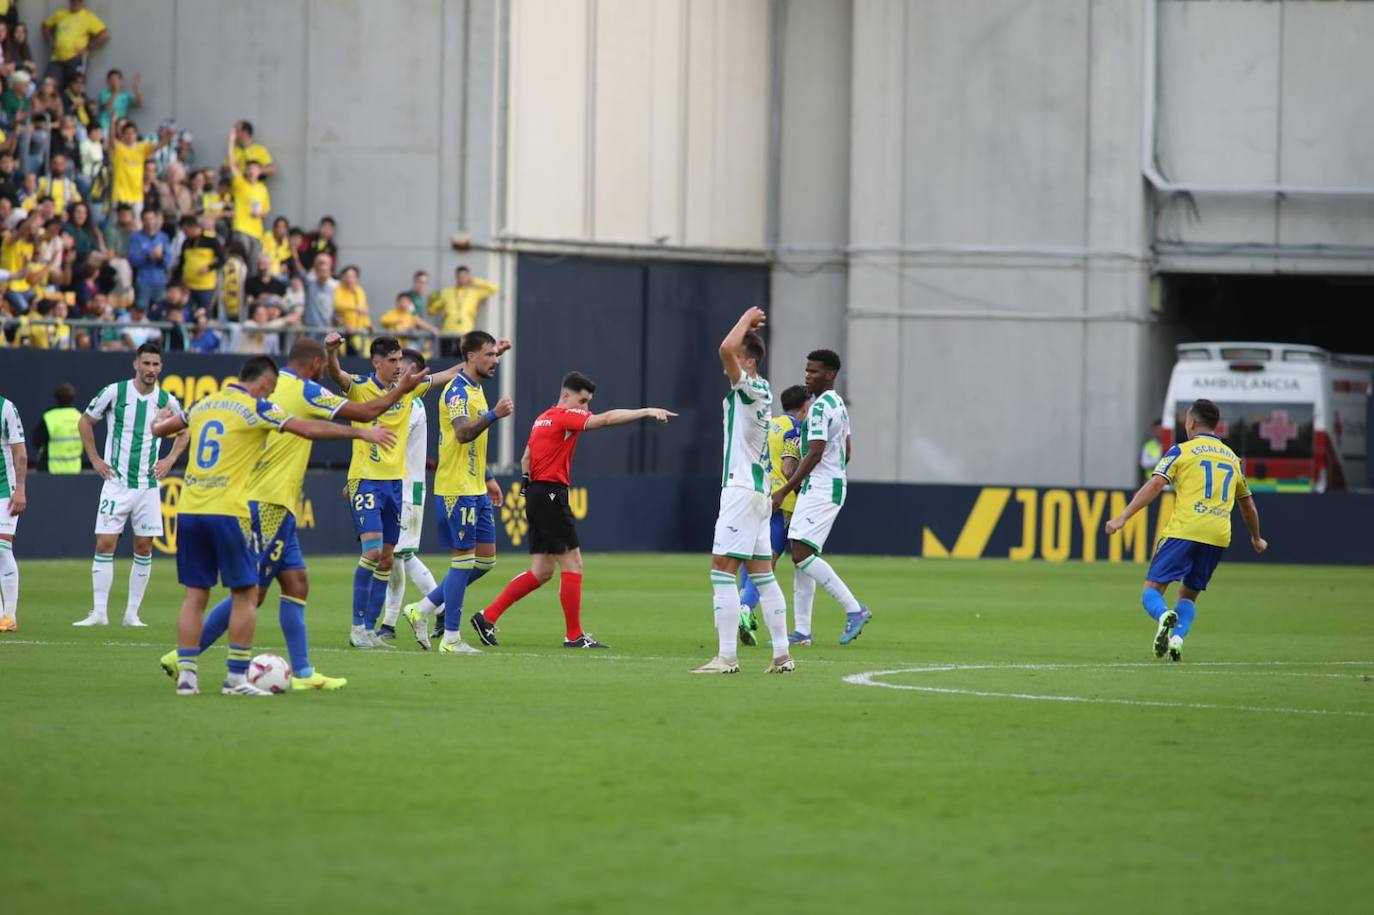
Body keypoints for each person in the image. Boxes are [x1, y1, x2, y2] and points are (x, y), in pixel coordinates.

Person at [158, 337, 425, 691]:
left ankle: (302, 673)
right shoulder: (305, 390)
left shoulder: (254, 391)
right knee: (251, 592)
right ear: (314, 364)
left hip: (272, 501)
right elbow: (362, 413)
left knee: (296, 582)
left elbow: (168, 427)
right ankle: (188, 656)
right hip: (266, 501)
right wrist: (385, 409)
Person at [474, 372, 674, 648]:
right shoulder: (565, 416)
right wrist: (646, 411)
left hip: (537, 493)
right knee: (573, 563)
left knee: (541, 571)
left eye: (588, 402)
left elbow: (526, 459)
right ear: (566, 396)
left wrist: (527, 490)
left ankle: (487, 616)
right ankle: (574, 635)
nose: (586, 409)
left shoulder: (541, 418)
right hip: (551, 494)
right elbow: (605, 419)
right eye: (582, 401)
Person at [323, 332, 467, 648]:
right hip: (365, 479)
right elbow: (337, 374)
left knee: (388, 559)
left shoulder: (408, 389)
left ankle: (372, 632)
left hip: (394, 484)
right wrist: (331, 352)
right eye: (392, 360)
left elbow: (447, 375)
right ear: (377, 362)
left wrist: (475, 358)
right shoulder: (360, 386)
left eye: (400, 359)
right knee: (373, 552)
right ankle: (357, 628)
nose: (399, 365)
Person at [1105, 398, 1268, 662]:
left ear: (1191, 422)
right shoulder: (1233, 459)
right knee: (1189, 595)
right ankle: (1177, 638)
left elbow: (1155, 485)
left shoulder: (1182, 451)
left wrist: (1123, 517)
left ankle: (1163, 616)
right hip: (1218, 535)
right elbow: (1247, 505)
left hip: (1185, 530)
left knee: (1152, 590)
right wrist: (1256, 537)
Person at [693, 307, 794, 674]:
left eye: (737, 361)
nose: (727, 366)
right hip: (757, 493)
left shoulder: (750, 388)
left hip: (740, 490)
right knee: (763, 575)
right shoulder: (760, 389)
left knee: (722, 570)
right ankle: (782, 655)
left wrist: (743, 319)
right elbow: (729, 351)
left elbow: (724, 348)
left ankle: (726, 657)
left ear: (747, 363)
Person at [401, 331, 512, 652]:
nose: (495, 361)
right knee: (463, 561)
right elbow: (463, 433)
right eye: (489, 355)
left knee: (486, 561)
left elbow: (471, 446)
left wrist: (488, 476)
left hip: (476, 486)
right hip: (456, 488)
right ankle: (451, 638)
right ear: (471, 356)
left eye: (496, 355)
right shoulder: (457, 393)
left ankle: (421, 609)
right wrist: (494, 415)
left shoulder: (476, 389)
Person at [71, 343, 190, 628]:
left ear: (161, 368)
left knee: (144, 546)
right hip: (117, 482)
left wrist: (170, 459)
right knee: (105, 542)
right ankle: (99, 612)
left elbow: (184, 432)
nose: (151, 369)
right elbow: (85, 422)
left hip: (148, 485)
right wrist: (95, 458)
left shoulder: (167, 400)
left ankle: (132, 614)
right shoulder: (115, 392)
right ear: (135, 364)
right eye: (146, 363)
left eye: (156, 365)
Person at [770, 349, 872, 646]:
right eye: (806, 370)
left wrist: (785, 490)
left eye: (814, 371)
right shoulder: (837, 404)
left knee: (801, 553)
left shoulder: (817, 409)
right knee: (803, 554)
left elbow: (814, 453)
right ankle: (802, 631)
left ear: (830, 375)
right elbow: (848, 450)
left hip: (821, 487)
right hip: (827, 484)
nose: (807, 376)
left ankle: (855, 609)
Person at [735, 383, 812, 646]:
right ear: (804, 406)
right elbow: (789, 468)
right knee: (765, 565)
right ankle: (743, 609)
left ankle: (744, 608)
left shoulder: (768, 424)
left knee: (750, 557)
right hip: (780, 503)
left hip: (754, 495)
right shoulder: (795, 429)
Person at [377, 349, 442, 641]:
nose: (397, 372)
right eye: (395, 367)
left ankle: (389, 623)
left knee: (397, 555)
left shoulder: (412, 405)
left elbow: (393, 444)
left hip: (408, 489)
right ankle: (442, 606)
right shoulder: (401, 402)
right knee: (402, 554)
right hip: (394, 485)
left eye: (403, 369)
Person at [427, 265, 497, 356]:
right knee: (446, 360)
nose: (462, 279)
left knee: (463, 361)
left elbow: (494, 288)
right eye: (460, 276)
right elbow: (432, 311)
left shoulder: (474, 292)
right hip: (447, 331)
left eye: (465, 276)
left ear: (468, 277)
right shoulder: (447, 292)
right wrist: (432, 299)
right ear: (456, 277)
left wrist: (474, 281)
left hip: (466, 332)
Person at [226, 124, 269, 269]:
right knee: (238, 262)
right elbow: (232, 165)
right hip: (241, 228)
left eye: (254, 168)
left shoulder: (262, 189)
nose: (251, 170)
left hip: (257, 232)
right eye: (249, 168)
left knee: (253, 266)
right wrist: (231, 142)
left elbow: (266, 212)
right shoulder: (241, 184)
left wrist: (259, 213)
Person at [0, 391, 24, 633]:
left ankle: (10, 615)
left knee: (2, 548)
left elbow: (20, 452)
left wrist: (21, 489)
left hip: (4, 489)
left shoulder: (6, 408)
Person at [41, 0, 108, 88]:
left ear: (82, 2)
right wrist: (50, 41)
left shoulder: (88, 17)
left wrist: (88, 47)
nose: (75, 3)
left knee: (73, 88)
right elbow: (45, 27)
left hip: (75, 59)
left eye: (78, 1)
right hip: (57, 58)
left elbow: (104, 34)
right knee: (49, 86)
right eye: (73, 1)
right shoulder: (60, 14)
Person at [173, 214, 222, 315]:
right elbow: (182, 264)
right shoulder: (186, 243)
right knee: (186, 313)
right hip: (188, 286)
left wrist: (209, 267)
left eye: (186, 230)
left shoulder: (210, 240)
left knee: (204, 313)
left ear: (193, 227)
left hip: (205, 286)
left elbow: (222, 259)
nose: (185, 233)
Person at [127, 208, 170, 312]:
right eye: (146, 219)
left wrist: (160, 258)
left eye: (152, 218)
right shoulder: (136, 237)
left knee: (159, 311)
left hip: (160, 280)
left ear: (156, 219)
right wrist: (149, 257)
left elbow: (168, 260)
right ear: (142, 221)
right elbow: (133, 259)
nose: (150, 222)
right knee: (141, 310)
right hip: (143, 280)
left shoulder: (163, 237)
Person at [34, 382, 83, 473]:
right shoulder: (79, 417)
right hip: (74, 470)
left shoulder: (50, 417)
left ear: (56, 398)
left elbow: (36, 440)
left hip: (50, 469)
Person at [97, 68, 140, 134]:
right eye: (112, 80)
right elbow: (107, 107)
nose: (114, 82)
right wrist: (115, 92)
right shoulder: (103, 94)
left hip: (121, 128)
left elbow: (140, 104)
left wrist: (136, 89)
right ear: (108, 81)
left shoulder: (125, 96)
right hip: (106, 127)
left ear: (121, 81)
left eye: (116, 79)